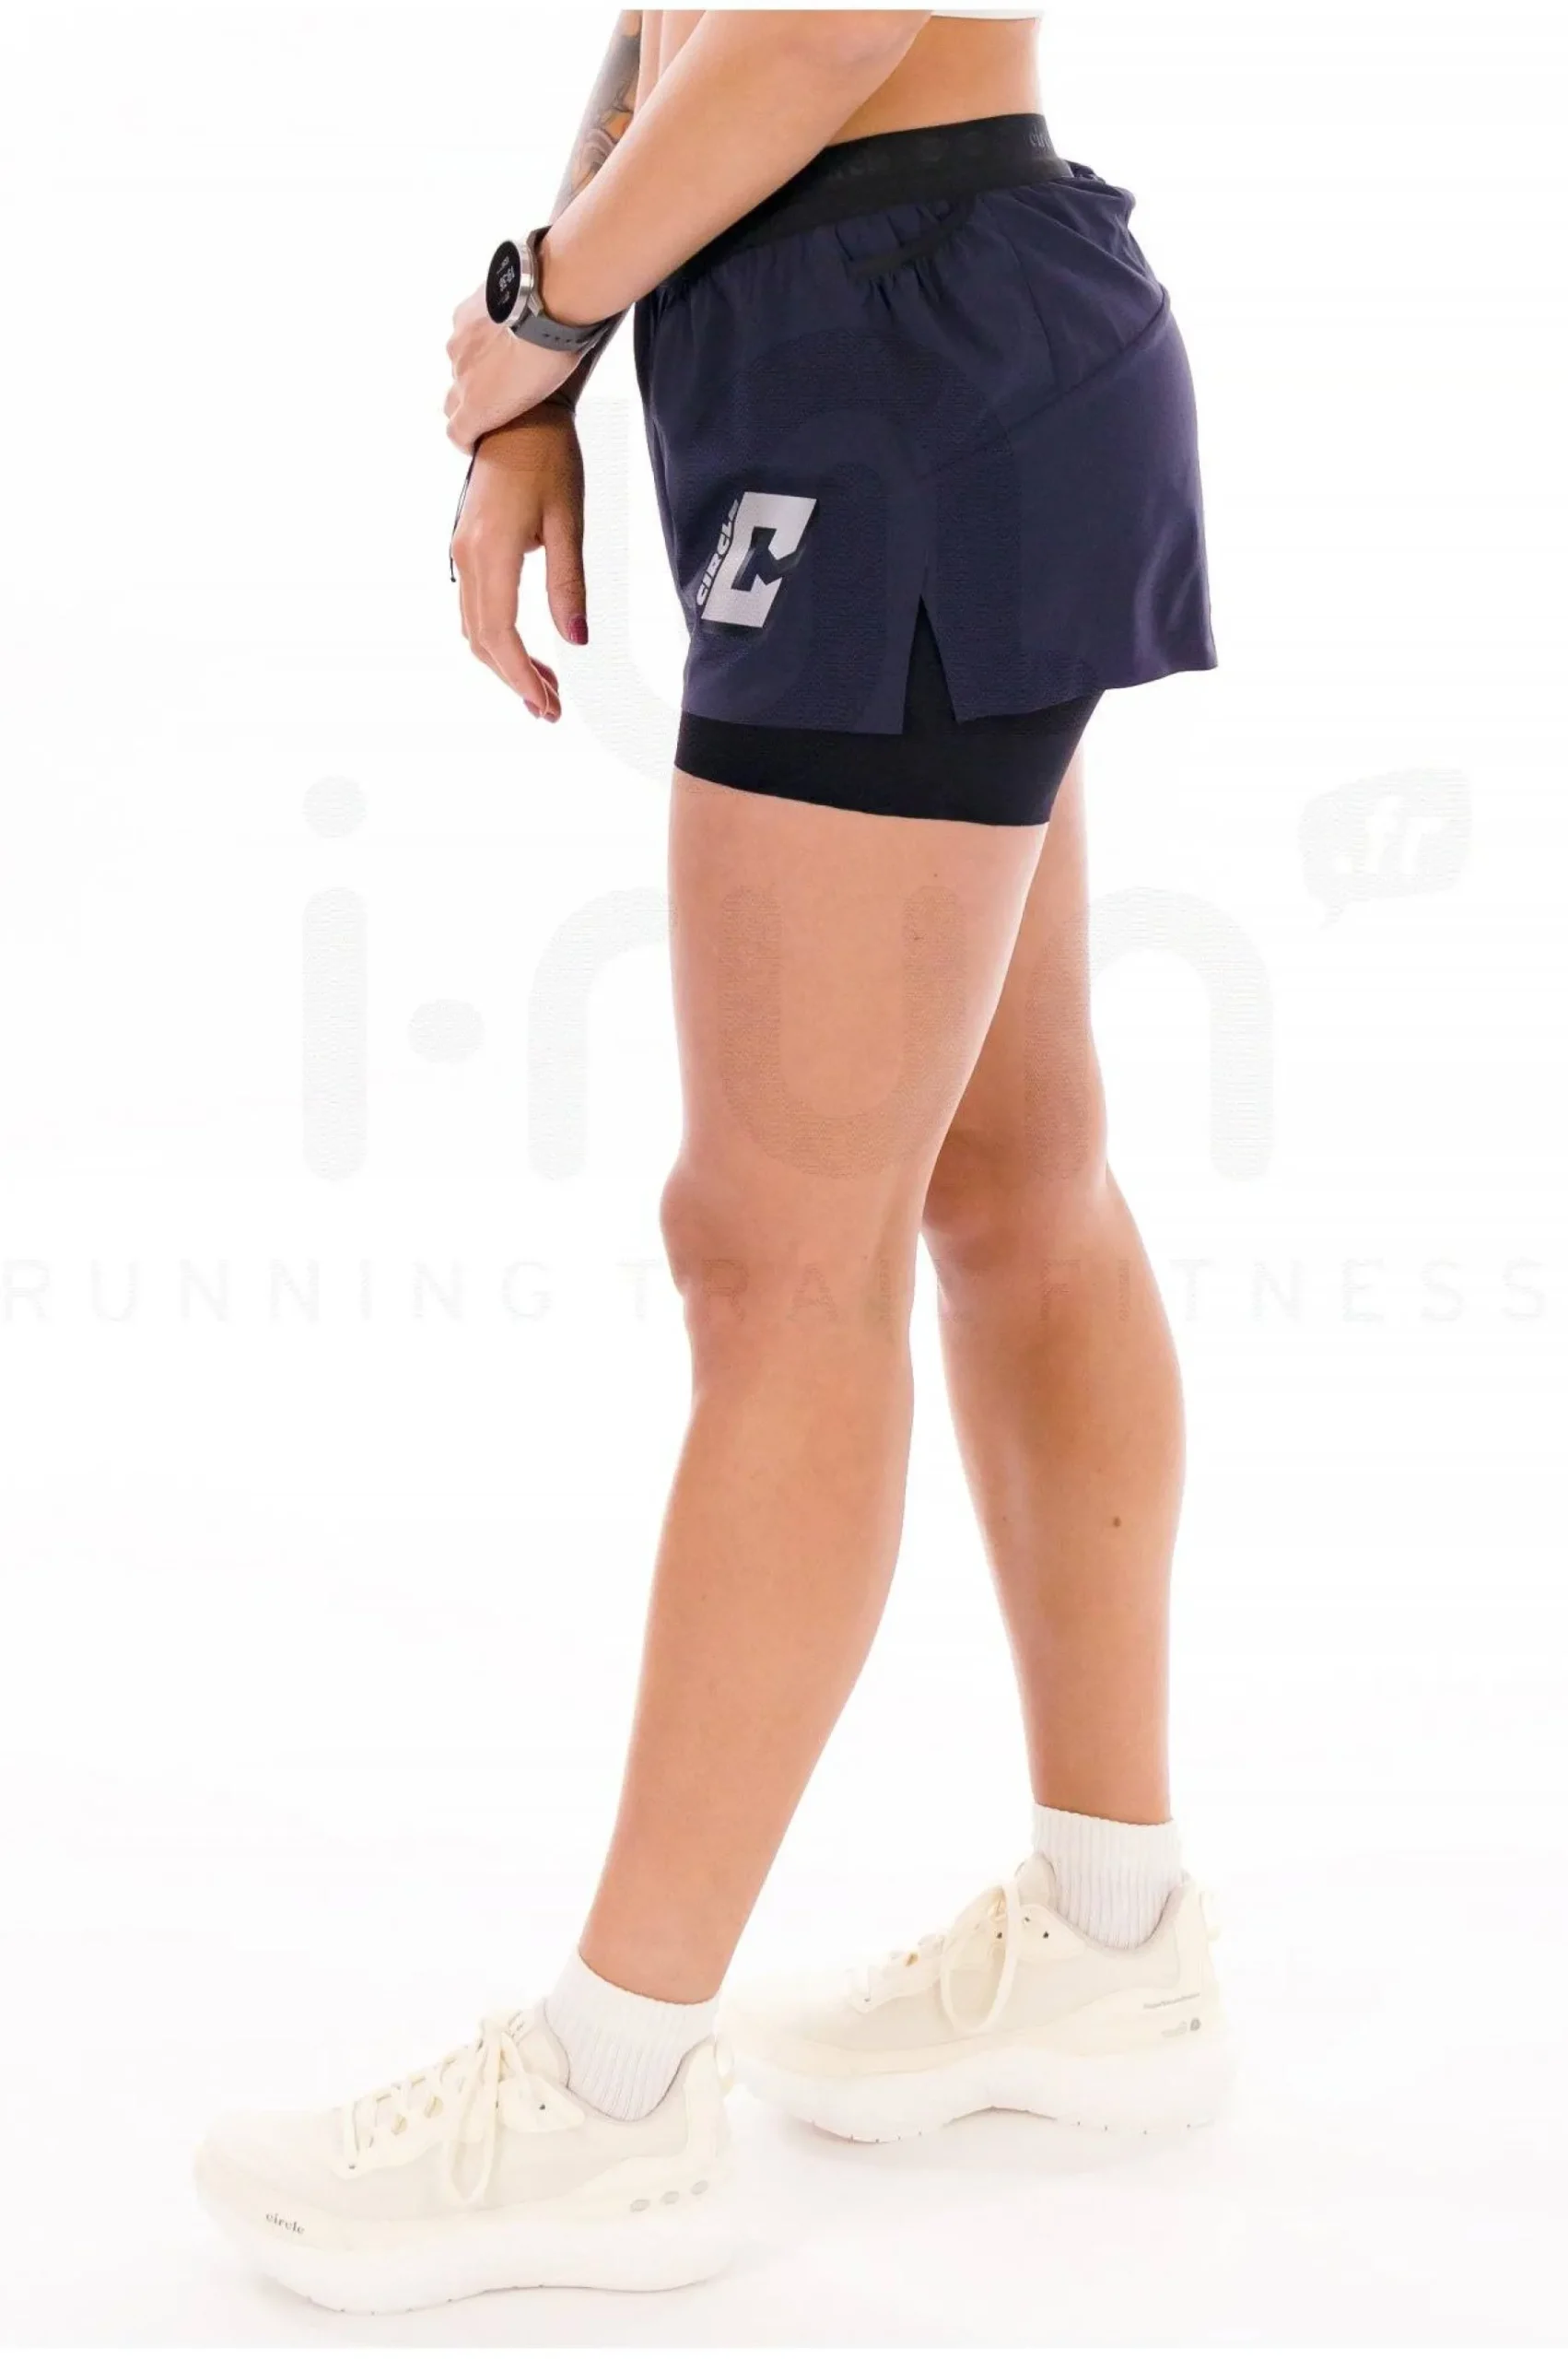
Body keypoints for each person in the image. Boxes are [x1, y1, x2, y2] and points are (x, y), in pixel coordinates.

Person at [195, 8, 1226, 2312]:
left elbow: (819, 17)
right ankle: (1109, 1935)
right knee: (1005, 1178)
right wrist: (544, 372)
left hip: (901, 350)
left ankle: (608, 2090)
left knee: (772, 1252)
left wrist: (543, 307)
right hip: (866, 335)